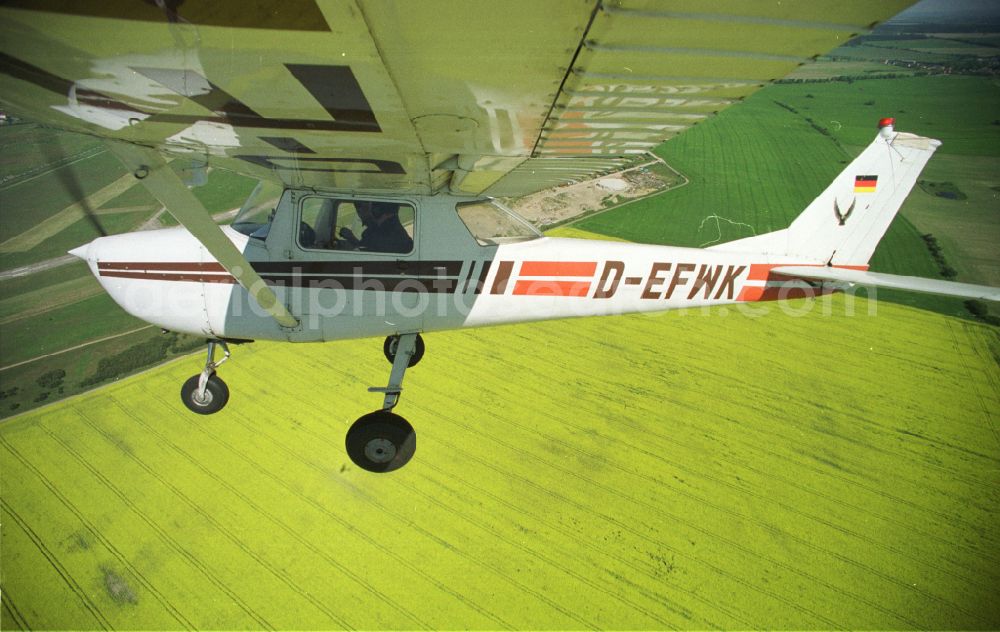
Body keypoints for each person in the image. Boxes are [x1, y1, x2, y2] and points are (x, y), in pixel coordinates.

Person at [339, 201, 413, 253]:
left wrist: (351, 249)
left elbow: (361, 258)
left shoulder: (383, 233)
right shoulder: (394, 228)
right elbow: (367, 247)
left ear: (377, 211)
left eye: (370, 209)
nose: (370, 213)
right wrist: (352, 239)